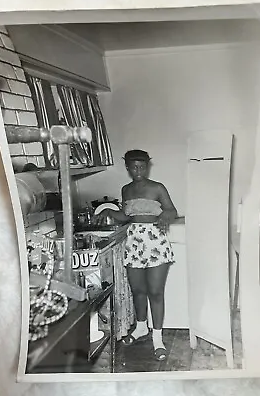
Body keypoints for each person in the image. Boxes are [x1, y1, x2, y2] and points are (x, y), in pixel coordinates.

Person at [92, 149, 177, 361]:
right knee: (138, 290)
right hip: (135, 241)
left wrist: (166, 215)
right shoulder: (126, 189)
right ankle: (141, 328)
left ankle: (157, 338)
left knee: (155, 292)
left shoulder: (157, 188)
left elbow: (172, 210)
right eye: (134, 167)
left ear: (147, 166)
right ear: (128, 168)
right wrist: (109, 212)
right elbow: (126, 216)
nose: (138, 170)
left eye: (142, 166)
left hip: (155, 241)